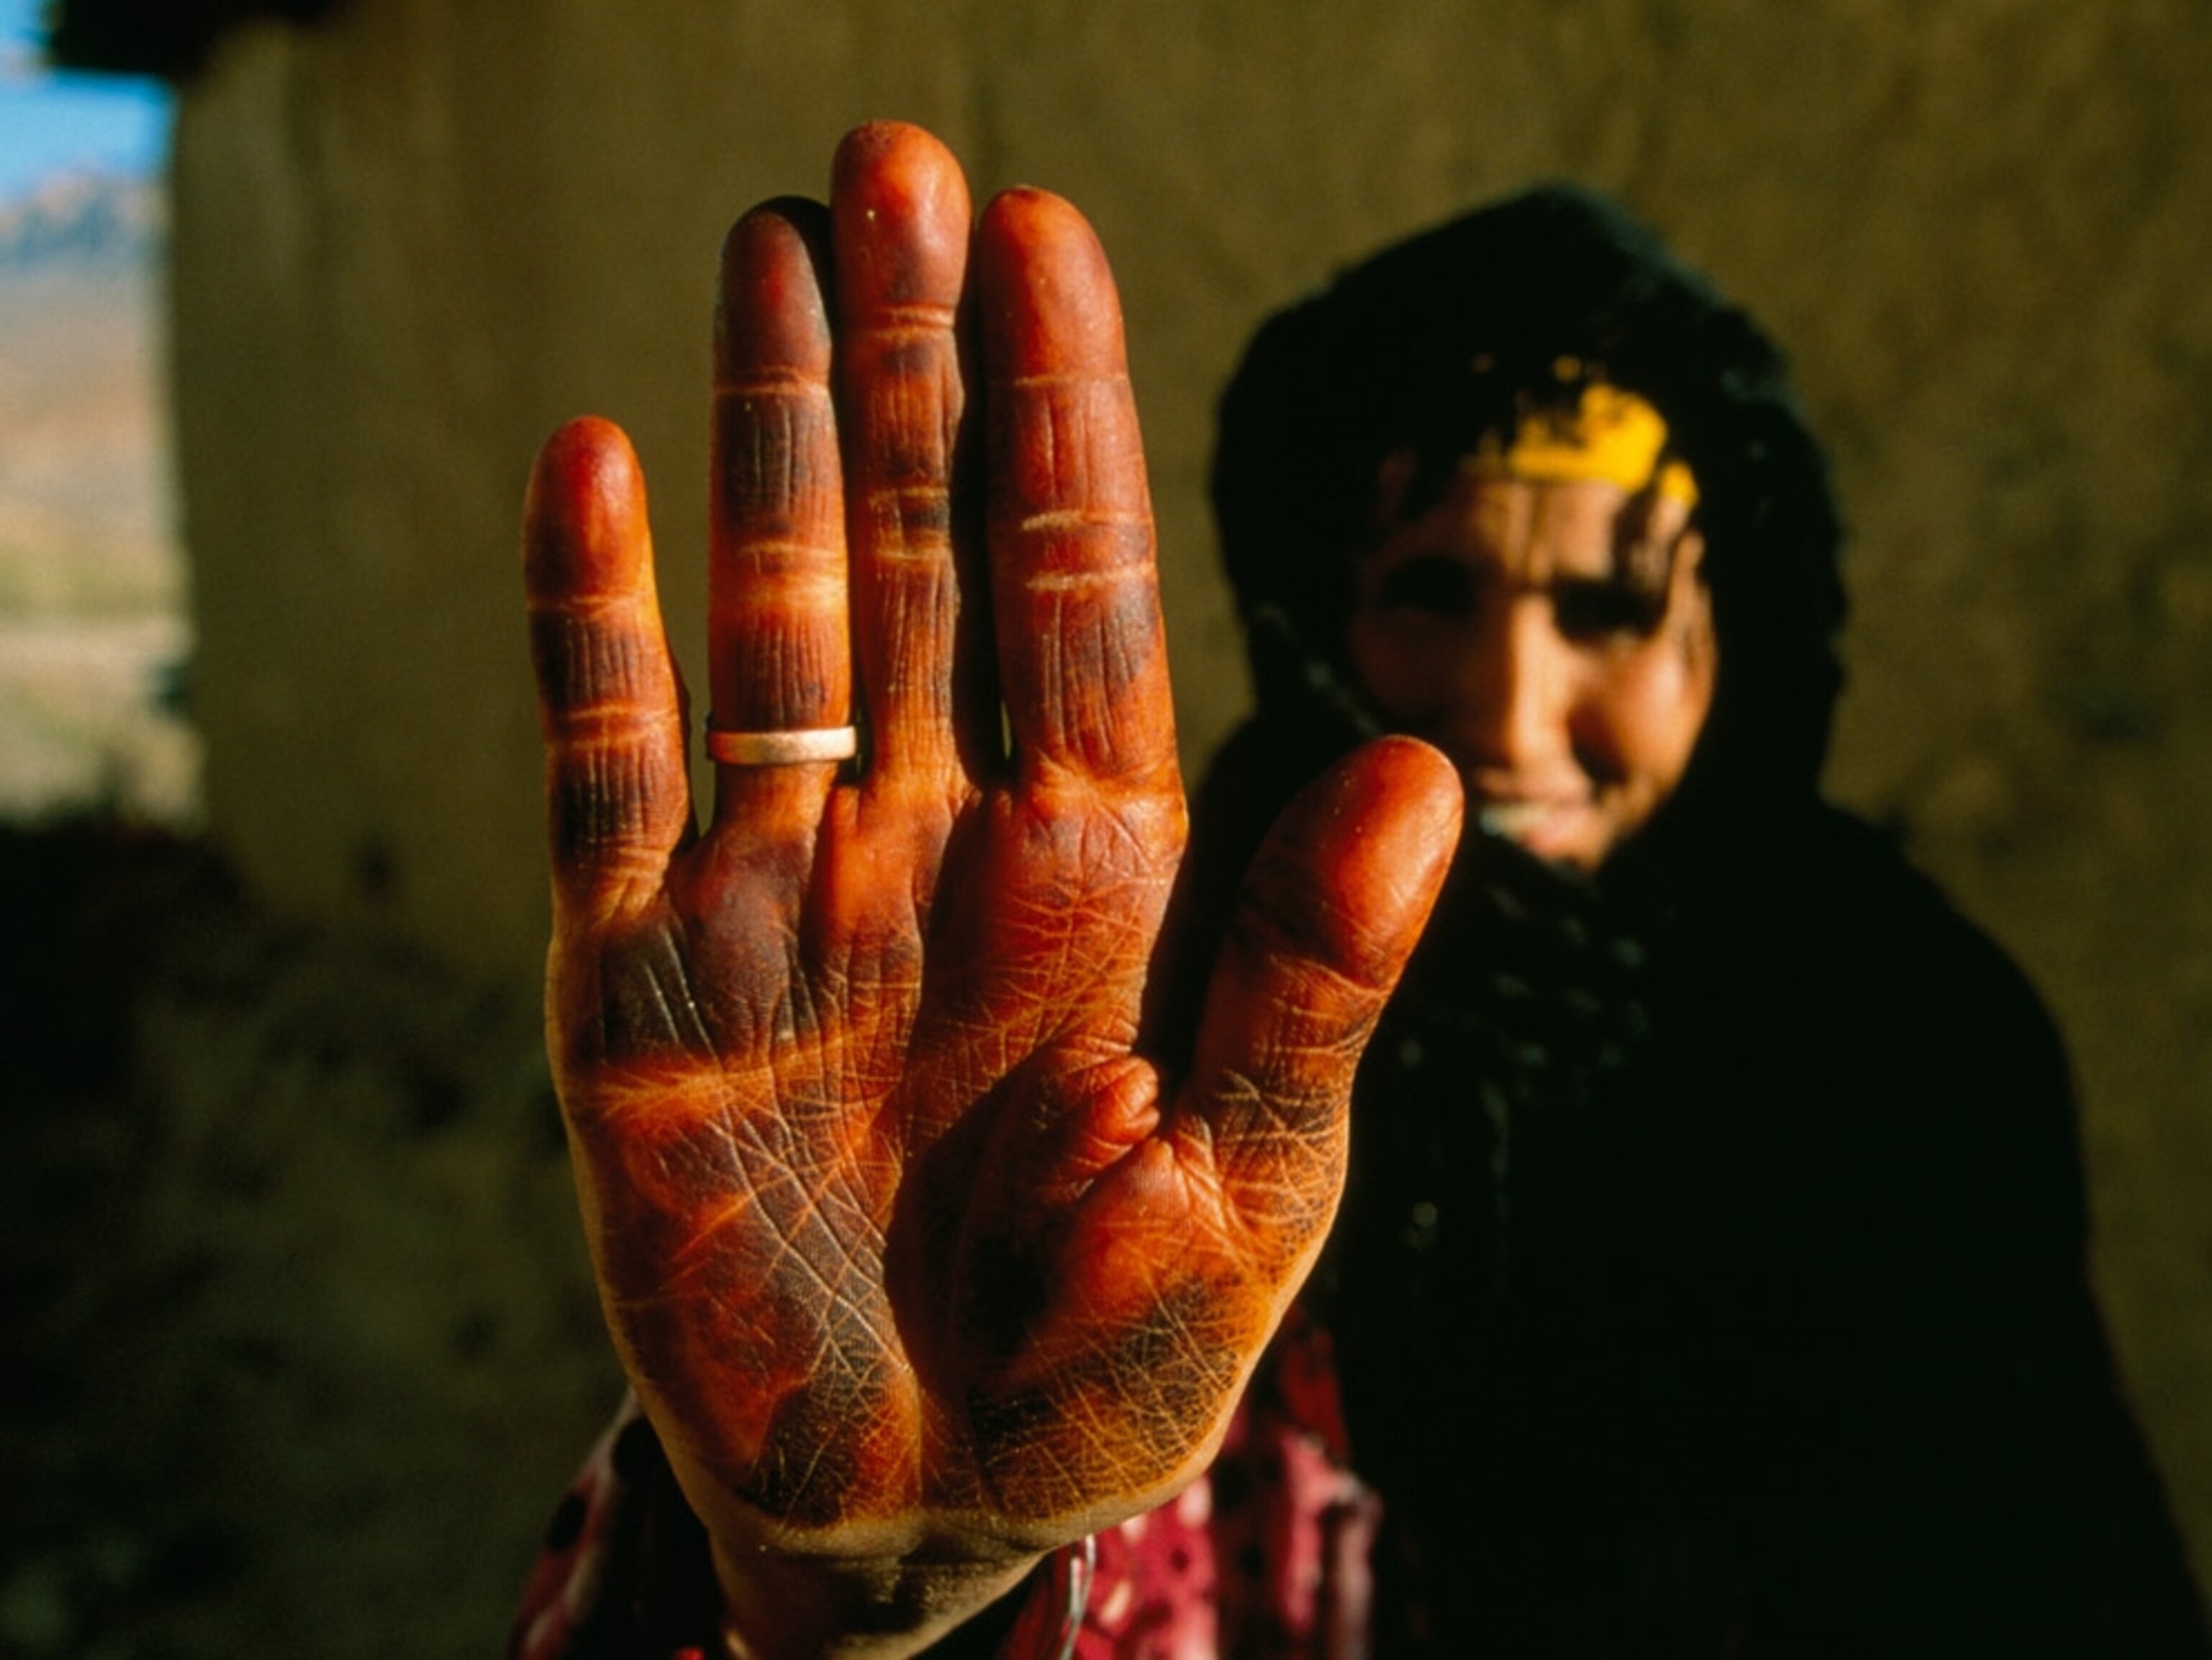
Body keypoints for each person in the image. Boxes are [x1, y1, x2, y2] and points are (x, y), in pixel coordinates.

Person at [511, 123, 2208, 1658]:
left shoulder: (1902, 1041)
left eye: (1611, 614)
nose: (1509, 711)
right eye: (1431, 591)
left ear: (1739, 643)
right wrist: (874, 1606)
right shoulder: (1112, 983)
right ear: (1320, 610)